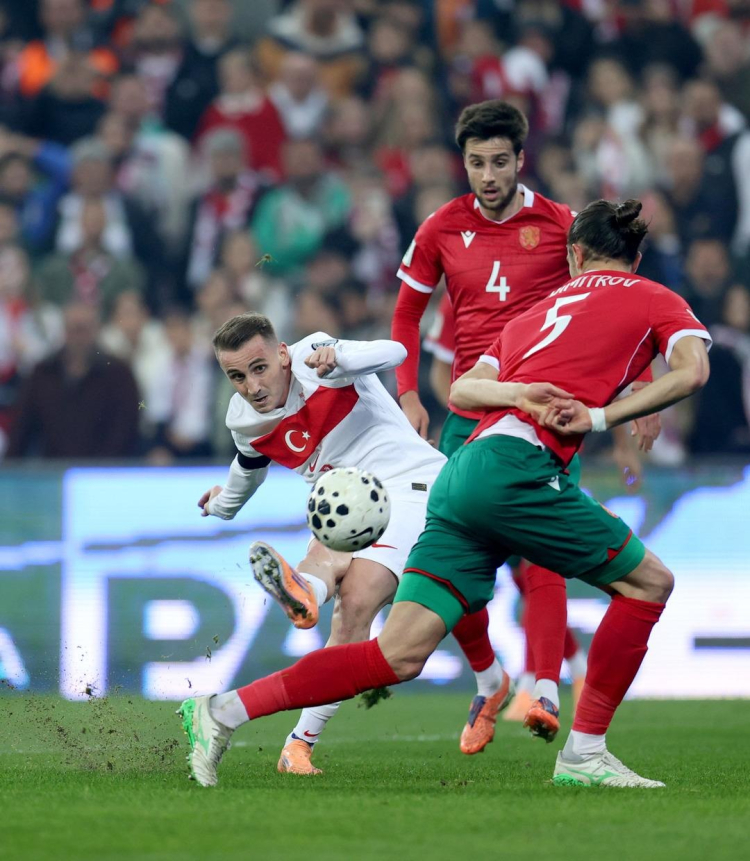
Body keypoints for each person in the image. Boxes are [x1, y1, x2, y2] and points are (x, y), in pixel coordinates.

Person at [178, 198, 711, 789]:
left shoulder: (534, 316)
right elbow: (692, 372)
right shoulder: (656, 297)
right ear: (636, 256)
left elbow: (462, 391)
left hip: (460, 475)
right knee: (648, 584)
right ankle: (582, 751)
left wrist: (518, 394)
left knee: (398, 654)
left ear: (574, 255)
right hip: (515, 472)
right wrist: (602, 417)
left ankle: (222, 710)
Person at [390, 99, 657, 746]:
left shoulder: (562, 224)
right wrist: (408, 393)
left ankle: (543, 685)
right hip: (469, 405)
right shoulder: (440, 228)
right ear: (463, 163)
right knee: (454, 554)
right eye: (476, 163)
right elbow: (406, 316)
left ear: (519, 160)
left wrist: (642, 386)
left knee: (540, 552)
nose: (489, 175)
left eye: (499, 162)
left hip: (544, 407)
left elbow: (619, 299)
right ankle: (491, 677)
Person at [192, 312, 522, 775]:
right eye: (237, 376)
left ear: (283, 354)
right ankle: (305, 604)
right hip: (346, 495)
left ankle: (306, 602)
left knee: (364, 600)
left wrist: (341, 356)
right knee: (353, 599)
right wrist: (220, 506)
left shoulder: (316, 357)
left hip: (411, 484)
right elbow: (247, 469)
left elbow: (396, 352)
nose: (253, 386)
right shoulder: (243, 418)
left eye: (259, 367)